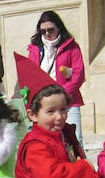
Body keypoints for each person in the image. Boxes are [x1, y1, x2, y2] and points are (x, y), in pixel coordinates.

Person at [28, 11, 86, 143]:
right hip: (44, 101)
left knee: (74, 139)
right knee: (46, 139)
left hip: (68, 100)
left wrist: (61, 94)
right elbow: (31, 73)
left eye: (50, 30)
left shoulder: (71, 47)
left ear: (59, 27)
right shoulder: (35, 48)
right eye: (43, 31)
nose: (47, 34)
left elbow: (78, 74)